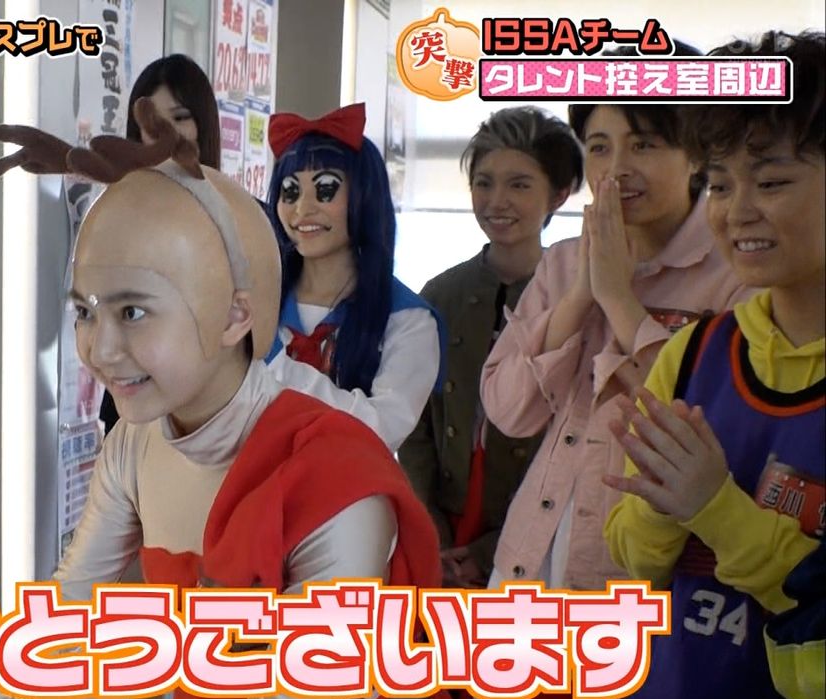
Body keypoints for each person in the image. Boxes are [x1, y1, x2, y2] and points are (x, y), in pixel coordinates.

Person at [0, 100, 456, 699]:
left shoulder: (337, 481)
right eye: (85, 311)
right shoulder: (136, 441)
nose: (99, 352)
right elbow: (69, 605)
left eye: (133, 312)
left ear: (235, 315)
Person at [477, 67, 749, 699]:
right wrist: (581, 293)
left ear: (695, 156)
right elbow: (509, 411)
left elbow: (715, 421)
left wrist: (619, 300)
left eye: (645, 144)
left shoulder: (735, 268)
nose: (617, 168)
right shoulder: (565, 261)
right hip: (532, 565)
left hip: (647, 590)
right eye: (599, 147)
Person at [601, 30, 824, 699]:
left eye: (772, 182)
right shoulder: (696, 352)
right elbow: (635, 557)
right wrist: (661, 505)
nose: (737, 211)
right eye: (721, 184)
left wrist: (713, 508)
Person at [399, 106, 582, 593]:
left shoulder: (576, 297)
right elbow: (415, 423)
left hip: (536, 534)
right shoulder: (441, 294)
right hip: (441, 525)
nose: (496, 201)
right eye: (484, 183)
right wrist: (430, 527)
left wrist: (489, 551)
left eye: (519, 185)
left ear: (559, 194)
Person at [263, 103, 444, 453]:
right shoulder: (256, 303)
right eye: (290, 190)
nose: (303, 209)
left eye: (325, 189)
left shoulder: (408, 319)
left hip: (353, 488)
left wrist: (275, 364)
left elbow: (379, 430)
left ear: (365, 195)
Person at [99, 53, 222, 434]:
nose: (165, 134)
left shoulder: (242, 218)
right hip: (134, 407)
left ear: (203, 125)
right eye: (151, 122)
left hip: (218, 416)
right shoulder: (117, 219)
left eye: (180, 118)